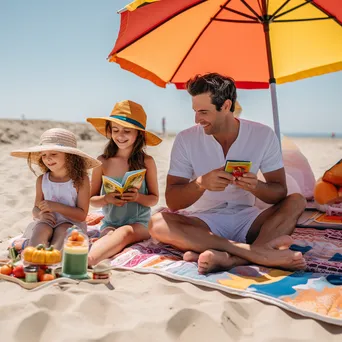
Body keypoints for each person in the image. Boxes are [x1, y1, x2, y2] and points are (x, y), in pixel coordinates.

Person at [149, 73, 307, 274]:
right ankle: (257, 253)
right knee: (157, 222)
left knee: (296, 201)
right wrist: (200, 184)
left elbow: (279, 192)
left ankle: (229, 259)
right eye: (195, 111)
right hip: (203, 222)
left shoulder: (263, 135)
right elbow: (173, 201)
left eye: (203, 112)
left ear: (225, 106)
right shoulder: (185, 139)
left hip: (248, 218)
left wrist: (257, 187)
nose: (197, 119)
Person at [86, 100, 162, 266]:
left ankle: (87, 260)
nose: (120, 136)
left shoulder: (147, 161)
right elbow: (91, 199)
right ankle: (86, 255)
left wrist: (137, 197)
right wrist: (106, 199)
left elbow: (154, 199)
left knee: (125, 232)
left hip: (139, 224)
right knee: (109, 235)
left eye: (127, 131)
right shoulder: (102, 161)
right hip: (110, 223)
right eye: (115, 130)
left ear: (139, 134)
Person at [11, 128, 101, 250]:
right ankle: (33, 257)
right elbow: (36, 208)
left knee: (64, 230)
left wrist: (56, 206)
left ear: (70, 156)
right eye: (43, 155)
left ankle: (53, 259)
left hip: (72, 223)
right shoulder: (42, 180)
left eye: (53, 154)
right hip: (47, 222)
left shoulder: (80, 180)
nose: (48, 159)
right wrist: (40, 215)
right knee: (41, 229)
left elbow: (82, 215)